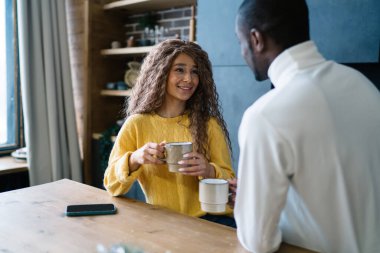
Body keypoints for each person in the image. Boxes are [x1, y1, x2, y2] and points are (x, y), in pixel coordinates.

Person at [231, 0, 380, 252]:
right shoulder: (364, 87)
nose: (241, 52)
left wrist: (249, 201)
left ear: (256, 39)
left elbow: (257, 241)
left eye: (240, 42)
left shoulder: (265, 116)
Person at [103, 39, 236, 227]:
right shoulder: (137, 124)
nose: (189, 79)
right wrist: (135, 158)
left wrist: (208, 170)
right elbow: (111, 184)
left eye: (195, 71)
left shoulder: (209, 124)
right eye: (180, 69)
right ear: (160, 73)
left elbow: (230, 181)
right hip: (163, 222)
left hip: (213, 220)